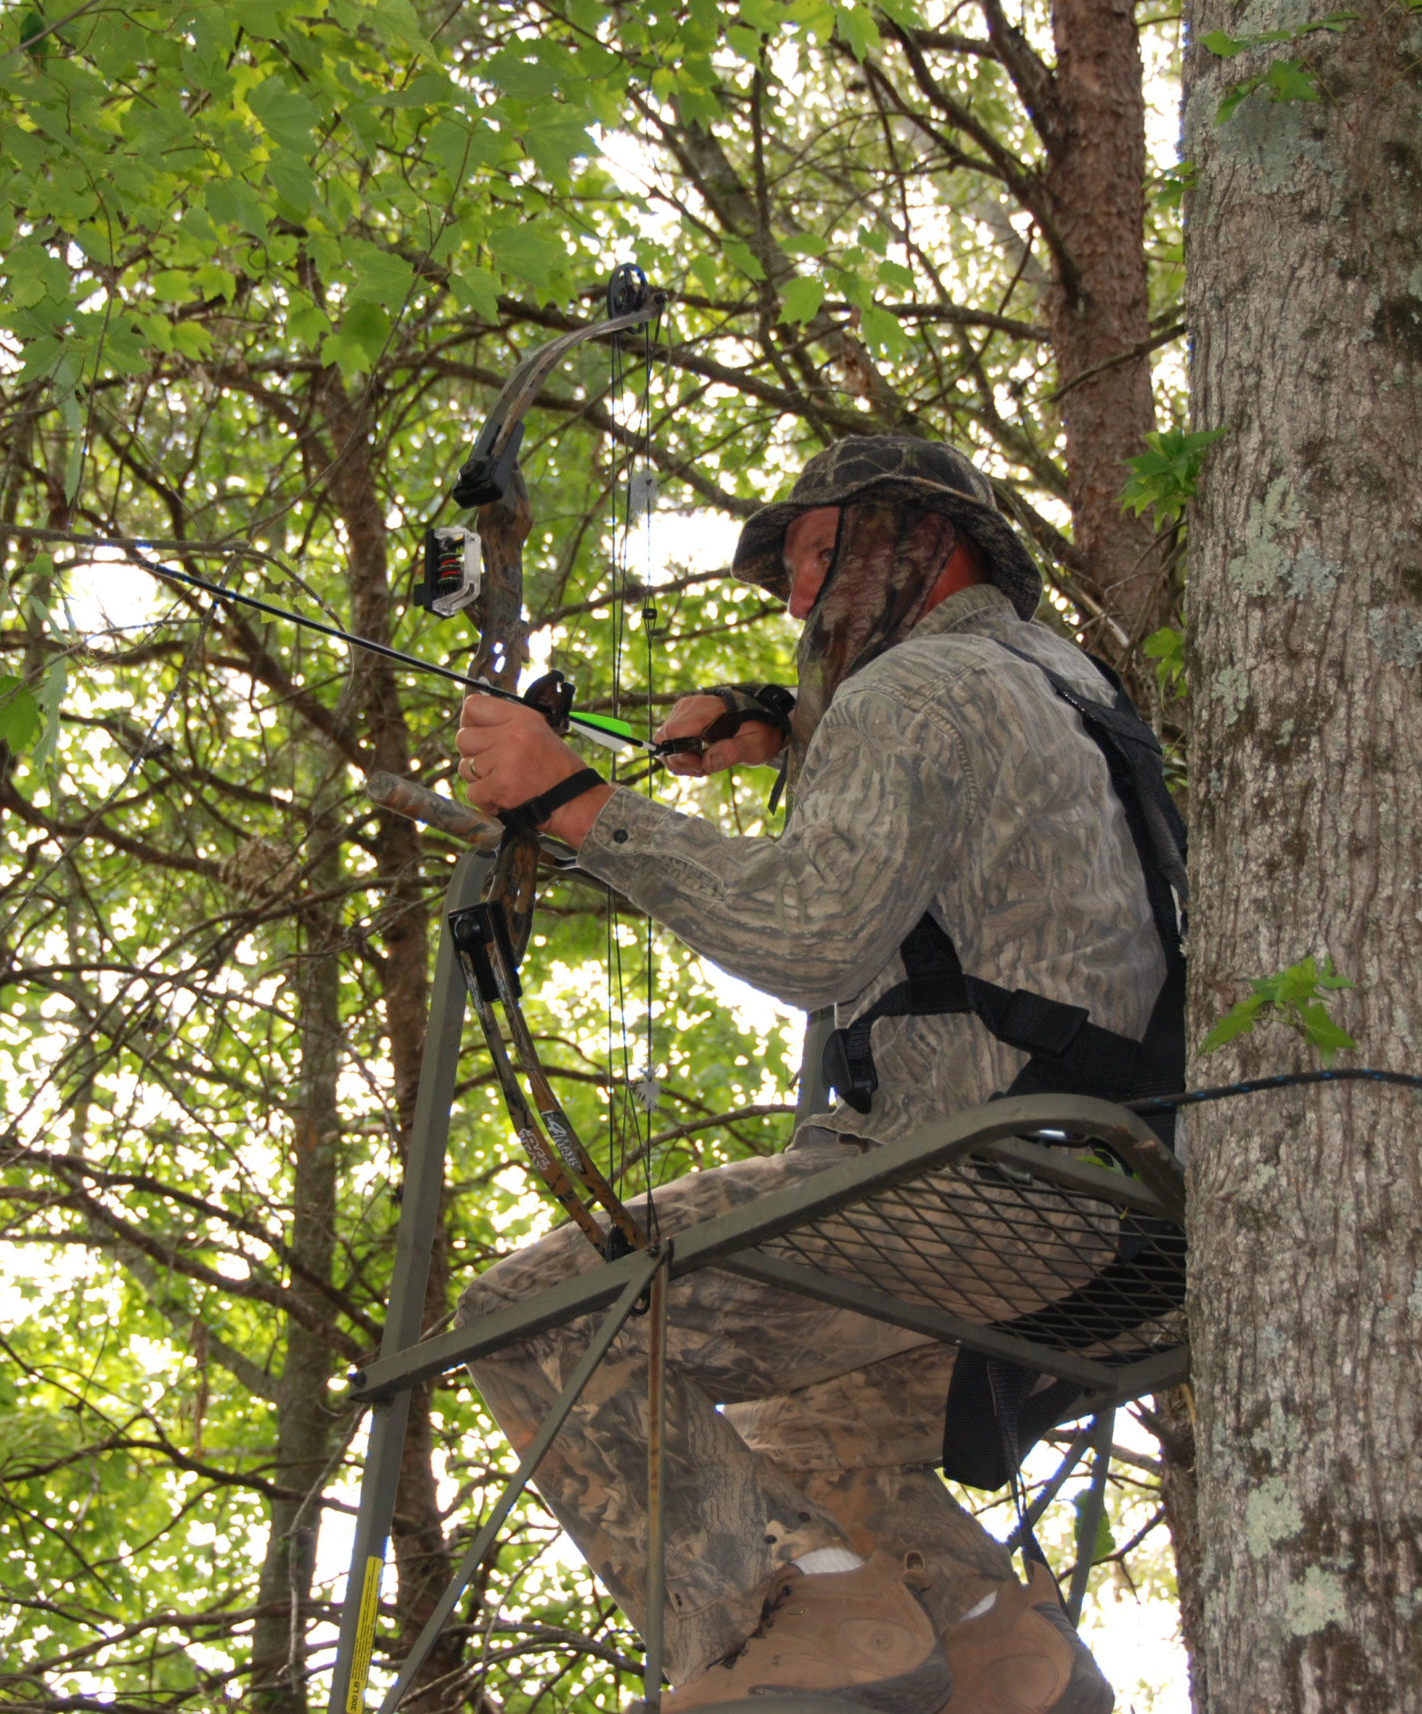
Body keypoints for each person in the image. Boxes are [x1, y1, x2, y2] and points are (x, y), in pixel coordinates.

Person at [452, 437, 1173, 1714]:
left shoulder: (914, 692)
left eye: (818, 557)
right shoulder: (1066, 682)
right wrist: (782, 730)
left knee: (541, 1316)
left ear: (919, 542)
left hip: (974, 1191)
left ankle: (808, 1614)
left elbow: (813, 933)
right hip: (1118, 1215)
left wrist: (575, 804)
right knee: (799, 1430)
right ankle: (1002, 1649)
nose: (795, 602)